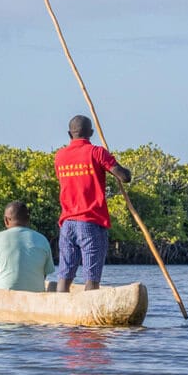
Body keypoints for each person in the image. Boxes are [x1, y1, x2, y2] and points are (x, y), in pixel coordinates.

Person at [53, 115, 131, 291]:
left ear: (69, 134)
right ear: (91, 133)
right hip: (90, 222)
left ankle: (61, 312)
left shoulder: (60, 156)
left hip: (67, 223)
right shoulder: (97, 152)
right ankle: (90, 314)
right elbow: (124, 177)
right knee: (92, 278)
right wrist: (115, 163)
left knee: (65, 277)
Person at [0, 200, 54, 291]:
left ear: (6, 220)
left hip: (2, 293)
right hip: (35, 294)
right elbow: (44, 274)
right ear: (28, 219)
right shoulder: (43, 240)